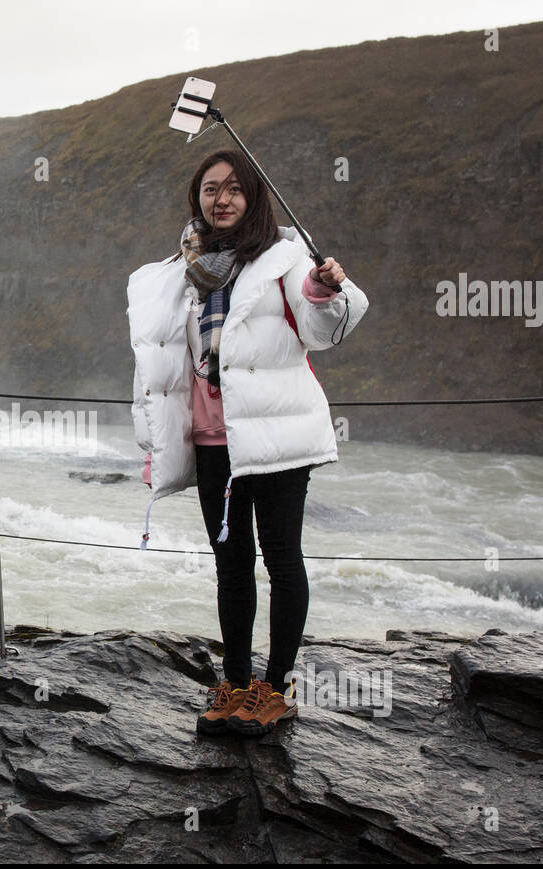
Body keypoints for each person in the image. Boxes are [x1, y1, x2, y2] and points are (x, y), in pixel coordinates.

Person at [126, 150, 369, 737]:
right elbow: (163, 363)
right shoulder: (184, 271)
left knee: (282, 560)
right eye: (211, 190)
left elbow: (325, 327)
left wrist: (324, 288)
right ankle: (234, 685)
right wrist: (155, 440)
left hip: (276, 434)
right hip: (214, 440)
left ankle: (275, 688)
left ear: (253, 197)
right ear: (197, 200)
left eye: (234, 189)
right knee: (231, 566)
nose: (222, 199)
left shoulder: (286, 260)